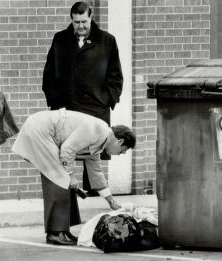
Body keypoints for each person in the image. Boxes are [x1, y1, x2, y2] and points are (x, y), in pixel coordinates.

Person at [11, 109, 136, 245]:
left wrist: (111, 202)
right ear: (120, 141)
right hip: (41, 129)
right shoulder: (98, 129)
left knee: (63, 178)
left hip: (45, 131)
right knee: (58, 178)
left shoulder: (99, 143)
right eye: (123, 151)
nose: (120, 154)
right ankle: (55, 234)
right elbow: (67, 149)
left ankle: (63, 231)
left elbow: (96, 174)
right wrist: (70, 176)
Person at [42, 1, 123, 195]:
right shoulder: (60, 39)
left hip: (95, 107)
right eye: (76, 22)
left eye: (84, 21)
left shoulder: (107, 41)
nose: (80, 26)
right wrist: (55, 101)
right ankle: (67, 200)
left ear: (91, 18)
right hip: (65, 108)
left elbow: (116, 76)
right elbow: (49, 74)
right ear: (72, 19)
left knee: (92, 156)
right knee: (64, 152)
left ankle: (94, 195)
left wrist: (107, 99)